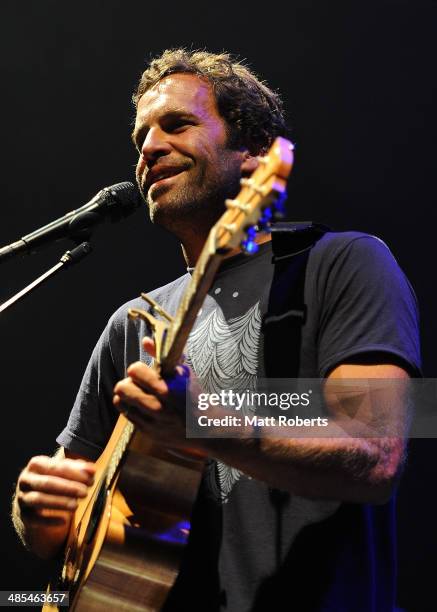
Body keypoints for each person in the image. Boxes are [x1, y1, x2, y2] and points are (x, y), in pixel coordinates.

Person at [12, 49, 421, 611]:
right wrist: (34, 510)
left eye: (177, 125)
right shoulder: (134, 323)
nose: (150, 148)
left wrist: (204, 422)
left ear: (255, 155)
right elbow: (61, 533)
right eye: (141, 139)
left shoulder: (345, 263)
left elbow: (379, 457)